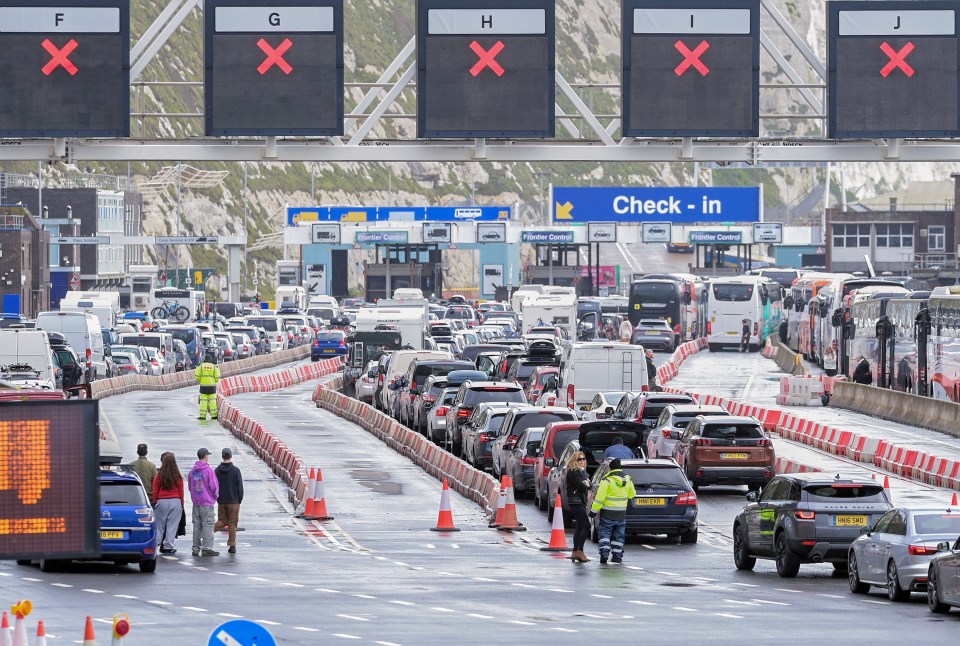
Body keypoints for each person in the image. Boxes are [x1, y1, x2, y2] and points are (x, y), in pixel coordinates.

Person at [589, 458, 635, 564]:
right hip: (621, 514)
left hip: (607, 513)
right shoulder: (627, 480)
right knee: (618, 535)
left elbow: (600, 499)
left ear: (610, 468)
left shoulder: (607, 480)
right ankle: (617, 557)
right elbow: (632, 494)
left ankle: (604, 555)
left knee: (605, 534)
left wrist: (593, 511)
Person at [189, 448, 220, 556]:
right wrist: (214, 497)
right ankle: (206, 548)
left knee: (197, 526)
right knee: (208, 525)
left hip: (196, 502)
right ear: (206, 456)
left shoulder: (192, 471)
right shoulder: (208, 470)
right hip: (206, 502)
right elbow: (214, 487)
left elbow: (190, 486)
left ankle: (195, 548)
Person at [152, 452, 184, 554]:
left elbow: (155, 489)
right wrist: (181, 504)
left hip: (162, 501)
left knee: (159, 525)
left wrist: (155, 501)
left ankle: (155, 545)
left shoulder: (159, 474)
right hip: (175, 501)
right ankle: (168, 546)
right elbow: (181, 491)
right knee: (172, 526)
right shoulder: (177, 475)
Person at [214, 447, 244, 554]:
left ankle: (207, 532)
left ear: (222, 456)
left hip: (221, 500)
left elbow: (214, 486)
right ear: (231, 456)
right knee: (232, 524)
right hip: (233, 501)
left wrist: (217, 498)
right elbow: (239, 487)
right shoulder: (236, 471)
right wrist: (239, 499)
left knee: (222, 521)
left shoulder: (217, 471)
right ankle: (232, 546)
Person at [565, 450, 592, 563]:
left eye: (583, 459)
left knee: (580, 526)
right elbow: (582, 486)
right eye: (579, 459)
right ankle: (580, 551)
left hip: (580, 501)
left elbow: (588, 485)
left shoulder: (582, 472)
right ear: (574, 461)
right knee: (587, 525)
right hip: (576, 501)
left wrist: (587, 484)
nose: (582, 461)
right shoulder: (574, 471)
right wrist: (586, 484)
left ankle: (575, 551)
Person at [194, 352, 221, 420]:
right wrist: (214, 381)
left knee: (203, 401)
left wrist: (201, 380)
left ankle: (203, 416)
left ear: (205, 359)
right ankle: (214, 416)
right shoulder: (214, 367)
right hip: (212, 387)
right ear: (210, 360)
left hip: (203, 387)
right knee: (212, 401)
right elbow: (217, 377)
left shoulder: (201, 366)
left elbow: (197, 376)